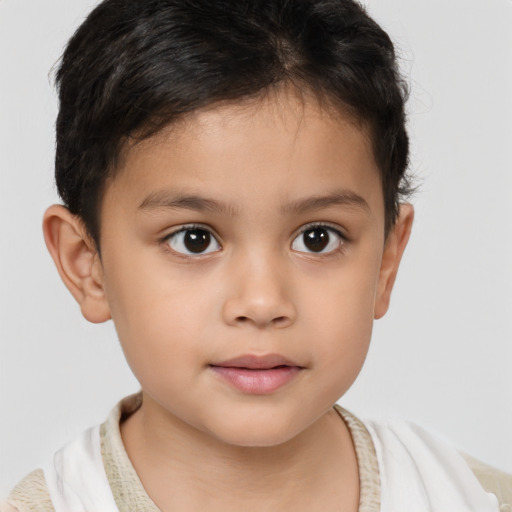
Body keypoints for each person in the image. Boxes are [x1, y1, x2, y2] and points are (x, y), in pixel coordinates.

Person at [2, 0, 511, 510]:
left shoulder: (472, 497)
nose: (263, 302)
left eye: (318, 237)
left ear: (385, 261)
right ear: (86, 264)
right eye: (194, 239)